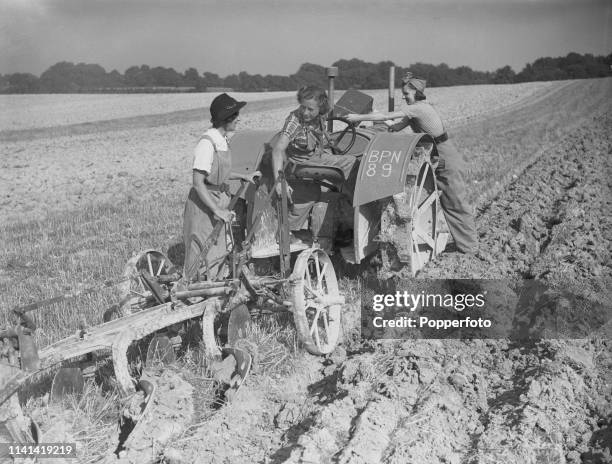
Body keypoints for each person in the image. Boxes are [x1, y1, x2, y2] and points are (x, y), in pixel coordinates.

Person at [345, 73, 478, 254]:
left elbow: (387, 116)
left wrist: (356, 118)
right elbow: (394, 126)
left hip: (446, 156)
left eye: (406, 93)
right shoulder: (414, 109)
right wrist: (370, 118)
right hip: (437, 155)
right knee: (447, 202)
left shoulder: (420, 108)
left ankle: (470, 247)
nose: (404, 97)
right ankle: (464, 244)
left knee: (455, 201)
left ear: (416, 92)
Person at [183, 93, 260, 281]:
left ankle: (214, 289)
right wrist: (216, 210)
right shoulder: (206, 144)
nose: (238, 119)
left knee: (218, 250)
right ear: (224, 119)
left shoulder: (221, 140)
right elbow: (198, 182)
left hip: (218, 201)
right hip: (204, 205)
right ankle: (195, 292)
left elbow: (219, 172)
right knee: (202, 251)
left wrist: (244, 176)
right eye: (234, 116)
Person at [271, 85, 357, 242]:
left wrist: (328, 140)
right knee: (351, 162)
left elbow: (319, 136)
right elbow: (277, 150)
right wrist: (279, 181)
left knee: (309, 195)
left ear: (321, 107)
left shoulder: (320, 116)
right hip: (302, 163)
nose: (305, 112)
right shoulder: (294, 121)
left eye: (310, 109)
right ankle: (356, 202)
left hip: (315, 156)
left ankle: (289, 232)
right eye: (303, 107)